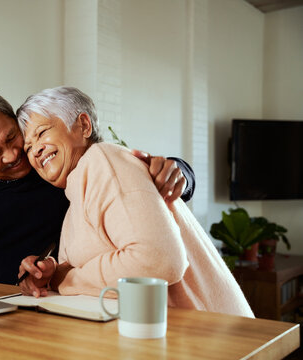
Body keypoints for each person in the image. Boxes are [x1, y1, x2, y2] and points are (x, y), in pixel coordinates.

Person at [0, 86, 195, 297]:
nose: (13, 155)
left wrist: (180, 172)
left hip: (52, 302)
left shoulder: (56, 168)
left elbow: (122, 168)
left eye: (13, 137)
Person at [16, 86, 253, 318]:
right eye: (28, 147)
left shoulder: (103, 161)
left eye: (42, 133)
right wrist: (50, 272)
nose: (36, 149)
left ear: (84, 125)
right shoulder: (74, 199)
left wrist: (67, 279)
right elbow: (85, 265)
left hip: (208, 337)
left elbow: (159, 260)